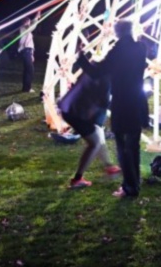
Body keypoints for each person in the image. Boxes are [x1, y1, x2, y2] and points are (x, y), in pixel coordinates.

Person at [79, 20, 149, 198]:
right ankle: (134, 183)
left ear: (117, 33)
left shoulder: (117, 51)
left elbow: (97, 72)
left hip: (122, 104)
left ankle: (129, 188)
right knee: (133, 147)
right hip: (138, 102)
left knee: (123, 148)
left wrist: (81, 57)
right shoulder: (141, 48)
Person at [59, 70, 120, 189]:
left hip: (73, 107)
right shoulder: (106, 78)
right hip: (75, 112)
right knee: (95, 143)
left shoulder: (98, 68)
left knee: (98, 133)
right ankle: (77, 179)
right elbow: (105, 102)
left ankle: (109, 167)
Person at [19, 17, 36, 94]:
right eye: (27, 22)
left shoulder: (27, 30)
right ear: (24, 22)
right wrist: (36, 18)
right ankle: (27, 88)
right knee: (30, 70)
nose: (28, 23)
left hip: (28, 51)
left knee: (27, 70)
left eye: (29, 22)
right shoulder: (23, 28)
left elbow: (30, 43)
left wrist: (32, 54)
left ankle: (25, 88)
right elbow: (32, 27)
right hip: (25, 50)